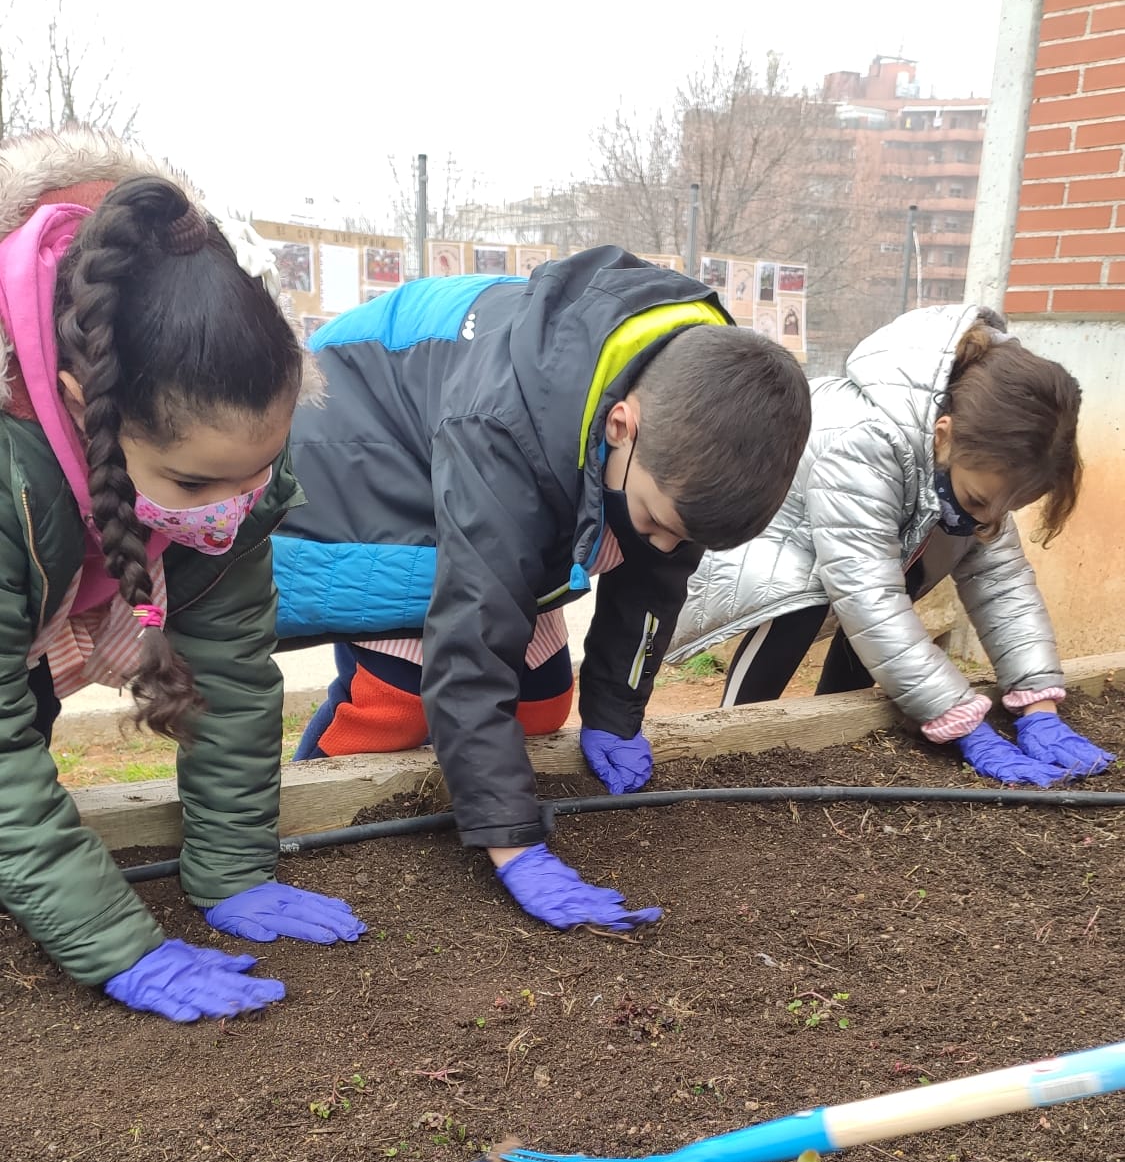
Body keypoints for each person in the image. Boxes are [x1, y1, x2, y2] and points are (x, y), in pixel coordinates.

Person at [274, 246, 811, 931]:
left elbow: (653, 575)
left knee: (543, 699)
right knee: (400, 696)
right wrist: (514, 844)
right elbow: (472, 634)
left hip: (493, 452)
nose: (660, 547)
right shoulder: (502, 425)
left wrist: (615, 711)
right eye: (655, 521)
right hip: (356, 445)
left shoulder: (700, 413)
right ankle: (315, 805)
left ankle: (458, 771)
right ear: (621, 426)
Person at [0, 130, 366, 1025]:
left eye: (256, 473)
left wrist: (233, 867)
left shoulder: (221, 435)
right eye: (195, 485)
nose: (229, 511)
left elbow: (229, 667)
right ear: (82, 404)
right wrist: (119, 945)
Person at [669, 303, 1114, 786]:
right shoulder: (866, 441)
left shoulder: (983, 462)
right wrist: (958, 716)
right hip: (777, 542)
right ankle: (730, 742)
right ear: (944, 436)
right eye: (979, 500)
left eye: (1006, 508)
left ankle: (834, 730)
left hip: (859, 551)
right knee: (800, 605)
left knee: (914, 574)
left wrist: (1038, 702)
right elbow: (867, 597)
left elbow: (1003, 585)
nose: (989, 519)